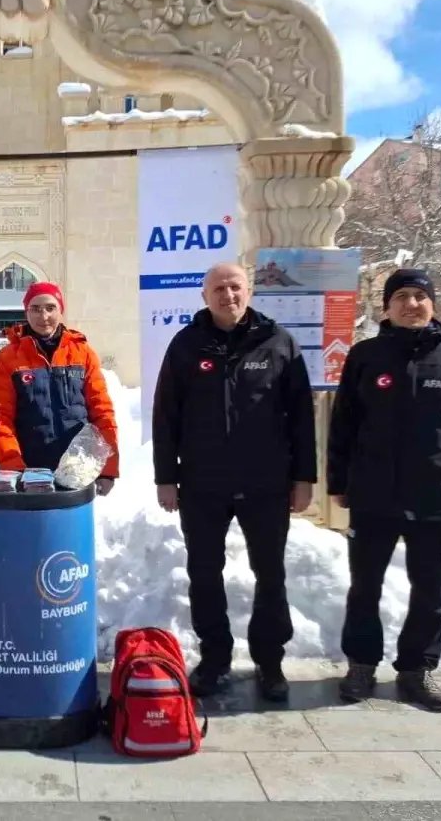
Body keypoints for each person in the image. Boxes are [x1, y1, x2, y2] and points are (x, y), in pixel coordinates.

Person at [328, 269, 441, 712]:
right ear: (387, 307)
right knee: (365, 586)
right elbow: (343, 424)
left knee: (430, 588)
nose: (411, 304)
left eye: (420, 296)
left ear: (432, 304)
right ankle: (361, 665)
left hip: (434, 494)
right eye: (401, 296)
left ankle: (416, 671)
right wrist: (339, 482)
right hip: (373, 494)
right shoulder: (366, 356)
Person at [152, 262, 316, 702]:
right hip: (204, 483)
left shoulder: (278, 343)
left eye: (235, 287)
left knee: (270, 573)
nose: (228, 295)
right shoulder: (187, 346)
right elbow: (166, 416)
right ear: (205, 296)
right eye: (219, 288)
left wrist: (304, 477)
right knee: (204, 573)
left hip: (266, 482)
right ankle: (215, 658)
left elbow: (302, 416)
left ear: (250, 290)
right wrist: (166, 478)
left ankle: (269, 661)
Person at [0, 281, 118, 490]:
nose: (43, 316)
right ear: (26, 311)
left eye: (50, 308)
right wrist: (14, 469)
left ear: (61, 310)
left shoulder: (83, 353)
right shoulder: (6, 359)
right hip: (29, 476)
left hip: (78, 472)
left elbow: (102, 411)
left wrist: (107, 468)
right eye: (35, 309)